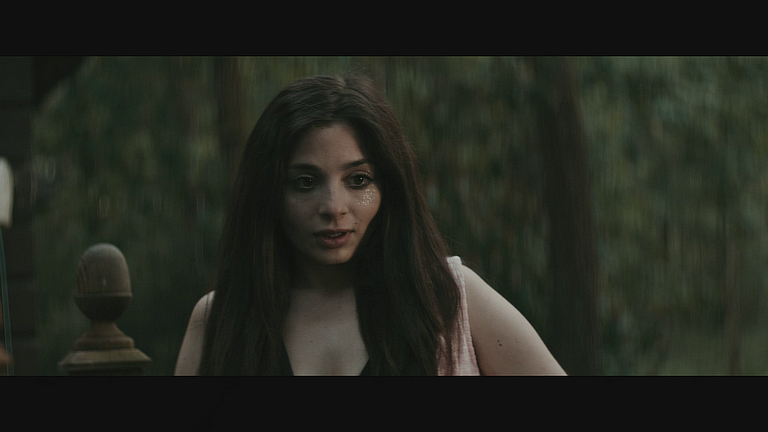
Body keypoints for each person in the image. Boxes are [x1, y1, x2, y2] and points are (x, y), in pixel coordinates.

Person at [175, 74, 566, 376]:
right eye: (305, 182)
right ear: (269, 193)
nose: (333, 207)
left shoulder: (450, 298)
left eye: (358, 180)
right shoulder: (218, 320)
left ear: (389, 187)